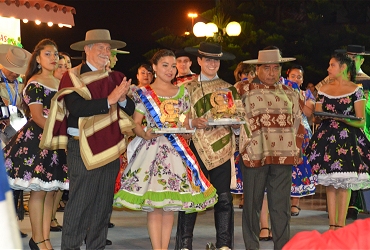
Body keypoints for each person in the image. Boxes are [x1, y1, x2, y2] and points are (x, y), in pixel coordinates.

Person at [39, 29, 136, 249]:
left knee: (103, 207)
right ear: (87, 49)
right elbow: (76, 108)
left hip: (111, 149)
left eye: (108, 48)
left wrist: (120, 100)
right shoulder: (73, 76)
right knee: (80, 205)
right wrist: (108, 100)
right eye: (100, 47)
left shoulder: (116, 77)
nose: (105, 52)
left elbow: (130, 108)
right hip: (82, 149)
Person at [113, 49, 217, 250]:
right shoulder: (143, 93)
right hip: (152, 151)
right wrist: (144, 134)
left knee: (170, 207)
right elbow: (135, 122)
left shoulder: (182, 91)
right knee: (154, 207)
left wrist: (191, 126)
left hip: (176, 153)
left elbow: (184, 121)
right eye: (165, 65)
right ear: (154, 67)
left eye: (173, 66)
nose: (170, 70)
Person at [175, 42, 245, 250]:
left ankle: (224, 245)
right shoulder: (186, 88)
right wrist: (191, 122)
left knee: (224, 199)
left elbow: (240, 118)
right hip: (195, 148)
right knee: (191, 198)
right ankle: (184, 245)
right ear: (199, 61)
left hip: (222, 149)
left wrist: (235, 124)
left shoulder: (229, 88)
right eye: (208, 59)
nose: (212, 63)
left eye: (216, 60)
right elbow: (176, 117)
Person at [4, 39, 68, 250]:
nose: (53, 58)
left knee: (51, 191)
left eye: (56, 54)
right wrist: (58, 133)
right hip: (39, 141)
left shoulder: (61, 83)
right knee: (39, 191)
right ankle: (38, 239)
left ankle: (45, 238)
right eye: (48, 54)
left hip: (57, 140)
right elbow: (38, 116)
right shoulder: (35, 82)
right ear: (38, 59)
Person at [239, 48, 305, 250]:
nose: (271, 73)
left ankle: (283, 247)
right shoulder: (243, 91)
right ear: (257, 69)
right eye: (266, 68)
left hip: (283, 156)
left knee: (281, 207)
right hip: (254, 154)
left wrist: (298, 149)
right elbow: (234, 119)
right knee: (252, 206)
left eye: (276, 68)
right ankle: (252, 247)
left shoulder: (290, 93)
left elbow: (298, 122)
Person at [306, 53, 370, 230]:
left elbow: (361, 120)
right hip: (327, 138)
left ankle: (340, 226)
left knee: (344, 183)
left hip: (347, 139)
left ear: (343, 67)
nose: (328, 69)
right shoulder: (323, 89)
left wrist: (344, 119)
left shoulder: (356, 90)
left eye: (332, 65)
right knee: (330, 183)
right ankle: (332, 226)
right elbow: (317, 118)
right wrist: (314, 114)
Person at [0, 43, 31, 239]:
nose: (15, 74)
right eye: (13, 70)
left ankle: (11, 225)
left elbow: (25, 111)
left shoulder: (22, 84)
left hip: (17, 137)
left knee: (14, 183)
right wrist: (15, 113)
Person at [286, 65, 316, 217]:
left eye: (299, 76)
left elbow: (308, 113)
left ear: (303, 79)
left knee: (298, 168)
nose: (296, 79)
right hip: (283, 134)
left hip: (302, 135)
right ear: (287, 76)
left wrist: (297, 96)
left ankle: (295, 204)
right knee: (285, 169)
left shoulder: (306, 94)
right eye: (293, 76)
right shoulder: (280, 90)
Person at [49, 53, 70, 233]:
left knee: (61, 183)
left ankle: (52, 216)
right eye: (61, 65)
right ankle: (49, 218)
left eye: (67, 65)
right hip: (52, 139)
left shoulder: (67, 87)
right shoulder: (49, 86)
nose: (64, 69)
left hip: (65, 138)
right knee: (52, 183)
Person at [232, 62, 256, 208]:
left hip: (254, 129)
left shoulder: (257, 88)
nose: (248, 77)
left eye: (252, 74)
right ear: (240, 75)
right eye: (245, 74)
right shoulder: (236, 87)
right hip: (239, 130)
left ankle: (249, 196)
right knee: (240, 164)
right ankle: (242, 196)